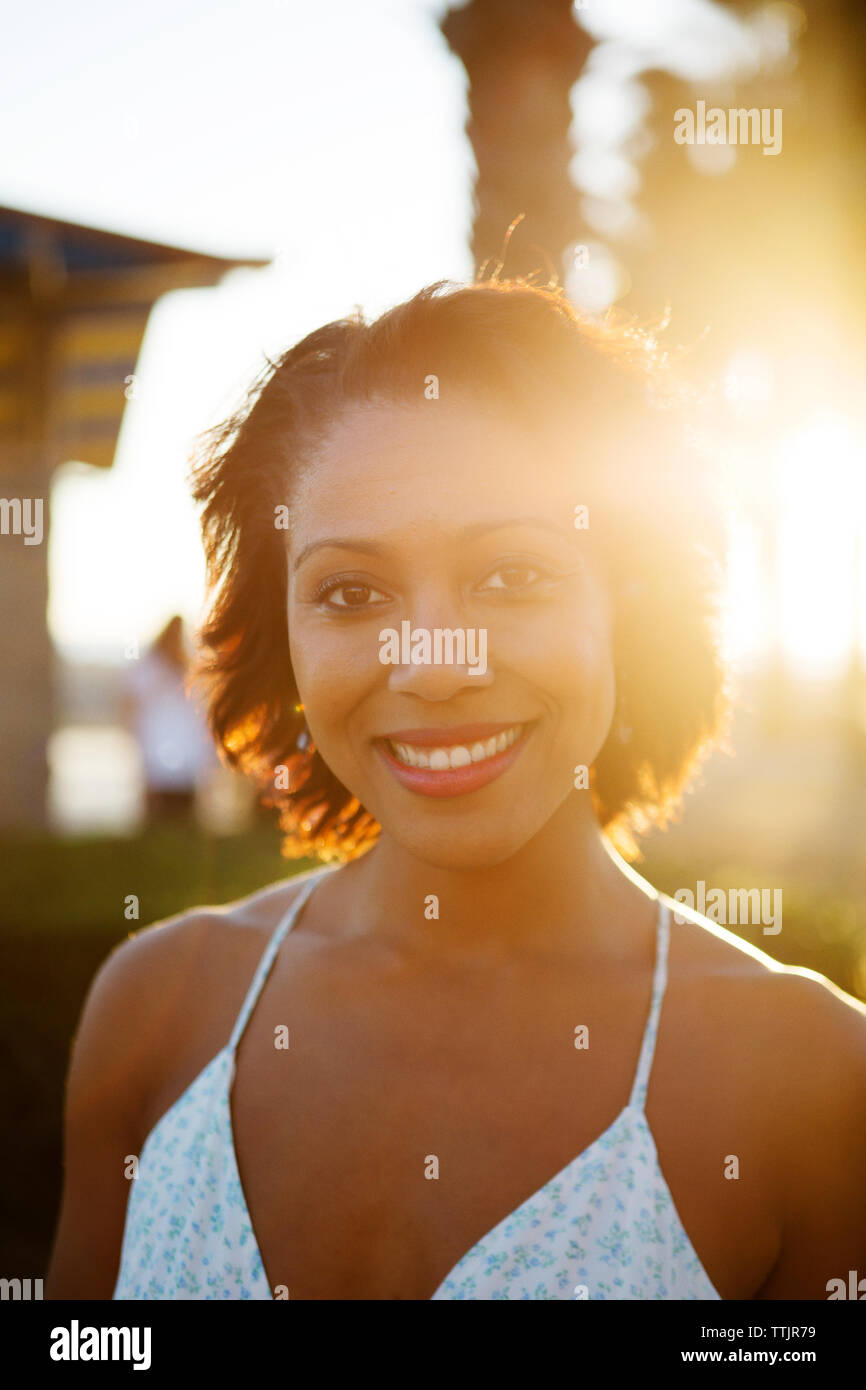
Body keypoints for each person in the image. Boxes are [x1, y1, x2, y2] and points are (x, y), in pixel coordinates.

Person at [46, 277, 866, 1300]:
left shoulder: (811, 1080)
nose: (432, 661)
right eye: (350, 590)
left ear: (626, 605)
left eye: (510, 576)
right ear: (285, 636)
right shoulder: (159, 1010)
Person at [122, 614, 214, 823]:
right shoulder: (149, 668)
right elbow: (130, 705)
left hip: (186, 759)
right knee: (158, 811)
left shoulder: (188, 670)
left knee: (184, 812)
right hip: (157, 755)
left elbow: (200, 714)